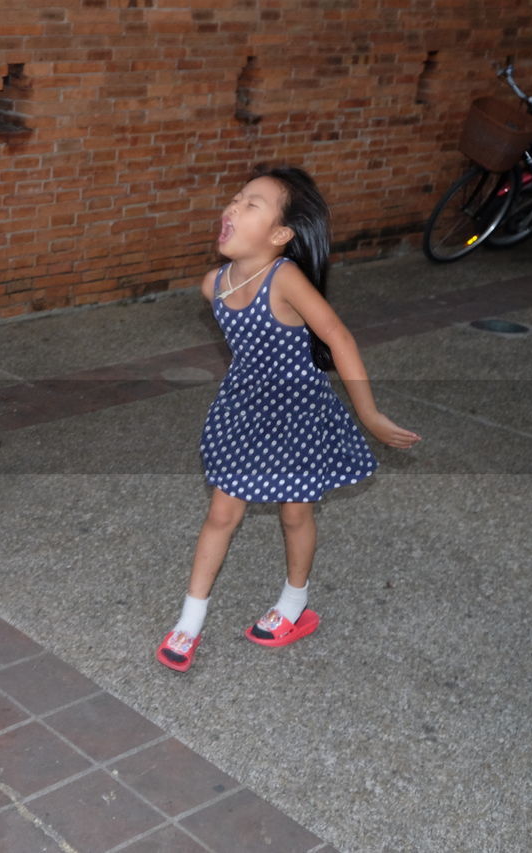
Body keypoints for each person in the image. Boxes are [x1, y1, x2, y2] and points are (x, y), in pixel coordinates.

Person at [156, 165, 421, 673]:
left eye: (251, 203)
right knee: (221, 515)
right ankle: (189, 624)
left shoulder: (285, 278)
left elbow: (337, 336)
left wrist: (367, 412)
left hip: (298, 416)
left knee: (295, 514)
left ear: (280, 235)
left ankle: (293, 607)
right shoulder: (213, 285)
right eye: (234, 198)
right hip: (245, 413)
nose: (233, 207)